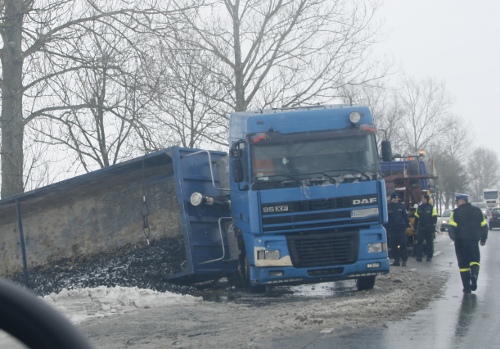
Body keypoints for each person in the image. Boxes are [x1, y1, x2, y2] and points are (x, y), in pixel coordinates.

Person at [448, 193, 488, 294]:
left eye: (457, 201)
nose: (456, 203)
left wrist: (455, 239)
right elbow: (484, 226)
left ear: (462, 201)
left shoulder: (455, 213)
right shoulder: (477, 211)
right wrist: (483, 238)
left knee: (463, 265)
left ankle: (467, 288)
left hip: (461, 242)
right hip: (473, 241)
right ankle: (474, 275)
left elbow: (451, 228)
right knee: (475, 260)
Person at [386, 192, 411, 266]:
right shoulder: (388, 207)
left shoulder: (401, 206)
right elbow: (386, 219)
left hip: (401, 228)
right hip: (392, 229)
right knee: (393, 246)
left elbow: (405, 216)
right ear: (391, 199)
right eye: (394, 198)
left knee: (403, 244)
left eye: (396, 198)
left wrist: (408, 225)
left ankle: (404, 260)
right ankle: (396, 260)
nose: (395, 200)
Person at [414, 194, 438, 262]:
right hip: (421, 228)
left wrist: (433, 227)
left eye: (424, 199)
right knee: (419, 243)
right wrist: (415, 227)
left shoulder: (432, 208)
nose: (423, 200)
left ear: (427, 200)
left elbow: (434, 218)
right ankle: (419, 256)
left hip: (429, 228)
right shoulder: (419, 208)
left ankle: (429, 256)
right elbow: (416, 219)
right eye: (422, 199)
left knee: (429, 243)